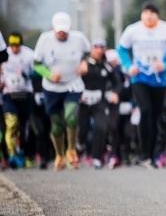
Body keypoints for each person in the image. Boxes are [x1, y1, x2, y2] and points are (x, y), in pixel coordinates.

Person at [116, 1, 166, 168]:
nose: (149, 15)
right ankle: (144, 153)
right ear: (142, 15)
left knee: (155, 116)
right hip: (139, 77)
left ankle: (151, 155)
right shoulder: (133, 30)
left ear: (157, 16)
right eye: (146, 12)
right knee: (145, 110)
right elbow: (121, 50)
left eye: (152, 12)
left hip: (159, 79)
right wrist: (128, 66)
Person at [32, 12, 91, 170]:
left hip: (73, 84)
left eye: (64, 31)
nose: (62, 33)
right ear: (53, 28)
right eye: (59, 31)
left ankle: (71, 150)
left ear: (70, 28)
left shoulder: (78, 38)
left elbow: (88, 52)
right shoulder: (45, 40)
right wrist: (49, 74)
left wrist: (84, 63)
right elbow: (36, 64)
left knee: (70, 117)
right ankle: (59, 155)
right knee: (57, 125)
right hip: (52, 87)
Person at [77, 38, 121, 169]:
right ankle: (80, 144)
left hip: (99, 101)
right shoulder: (83, 63)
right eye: (96, 47)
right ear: (91, 49)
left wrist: (115, 93)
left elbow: (118, 82)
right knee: (82, 128)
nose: (98, 50)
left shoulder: (106, 66)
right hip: (83, 101)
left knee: (101, 127)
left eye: (101, 48)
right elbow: (71, 77)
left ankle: (96, 157)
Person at [1, 32, 35, 169]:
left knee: (24, 127)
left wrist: (26, 75)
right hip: (9, 95)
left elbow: (38, 72)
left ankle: (25, 154)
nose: (14, 49)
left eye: (17, 46)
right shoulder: (4, 54)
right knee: (11, 124)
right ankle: (11, 154)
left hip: (25, 95)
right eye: (12, 46)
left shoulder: (29, 55)